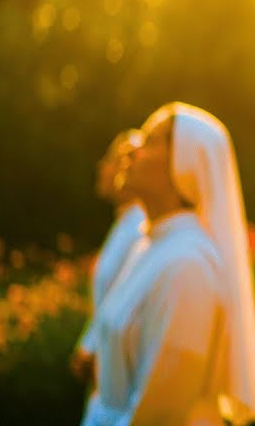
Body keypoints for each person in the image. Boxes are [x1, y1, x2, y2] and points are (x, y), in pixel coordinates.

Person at [80, 103, 255, 425]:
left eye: (151, 141)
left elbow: (160, 411)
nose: (132, 151)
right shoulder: (150, 244)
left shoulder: (188, 264)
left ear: (185, 165)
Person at [72, 129, 147, 383]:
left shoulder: (140, 228)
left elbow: (124, 302)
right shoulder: (124, 223)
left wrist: (90, 349)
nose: (101, 167)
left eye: (110, 159)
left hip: (114, 373)